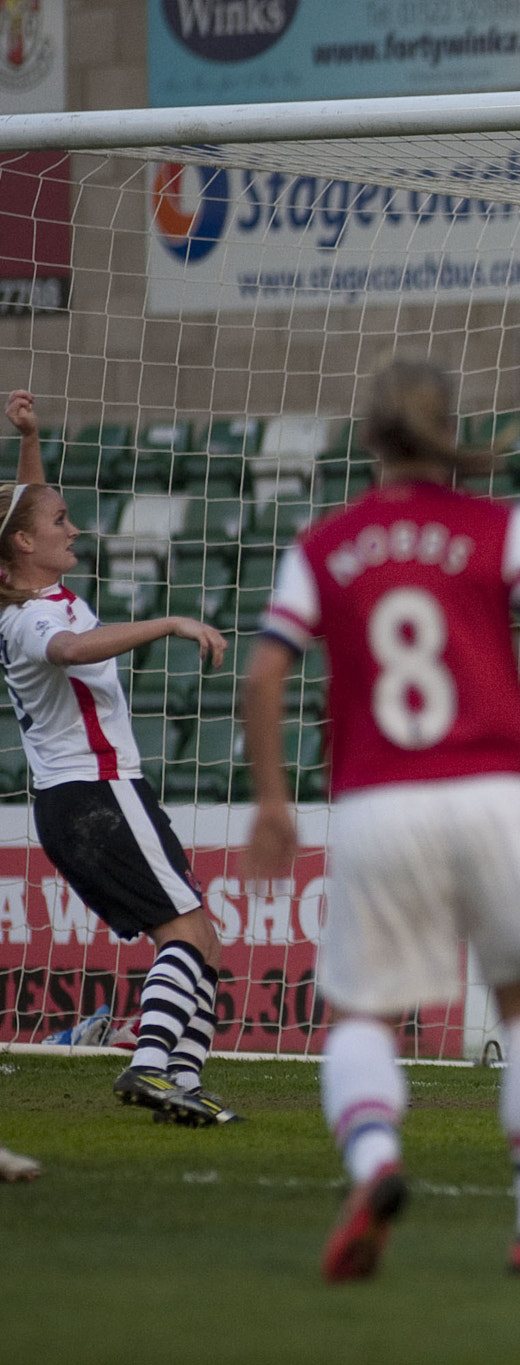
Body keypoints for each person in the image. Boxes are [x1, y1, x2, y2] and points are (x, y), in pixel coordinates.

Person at [241, 357, 520, 1282]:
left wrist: (275, 801)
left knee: (366, 1010)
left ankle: (375, 1162)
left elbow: (263, 674)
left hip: (378, 797)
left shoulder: (324, 545)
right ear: (449, 431)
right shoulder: (503, 525)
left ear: (367, 438)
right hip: (492, 789)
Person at [0, 390, 236, 1127]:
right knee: (189, 935)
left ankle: (180, 1082)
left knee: (201, 937)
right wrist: (167, 620)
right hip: (97, 792)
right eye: (60, 523)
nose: (73, 527)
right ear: (25, 549)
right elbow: (70, 649)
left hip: (74, 802)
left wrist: (30, 439)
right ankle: (150, 1063)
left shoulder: (28, 588)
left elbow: (23, 511)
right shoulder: (37, 618)